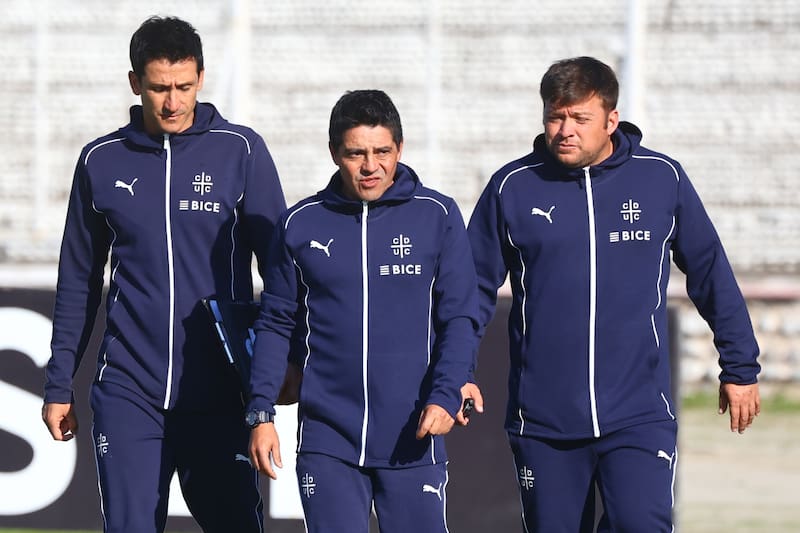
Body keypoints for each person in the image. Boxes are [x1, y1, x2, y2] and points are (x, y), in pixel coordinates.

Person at [467, 56, 761, 532]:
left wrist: (741, 366)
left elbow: (710, 273)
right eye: (555, 117)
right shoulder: (511, 188)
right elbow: (470, 293)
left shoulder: (661, 179)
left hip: (638, 414)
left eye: (580, 118)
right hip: (543, 422)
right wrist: (455, 373)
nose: (565, 130)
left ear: (611, 120)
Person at [41, 16, 286, 533]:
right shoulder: (100, 161)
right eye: (159, 88)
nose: (172, 101)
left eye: (184, 86)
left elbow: (283, 274)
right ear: (136, 83)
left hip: (220, 394)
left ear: (200, 77)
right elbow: (79, 279)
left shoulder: (241, 151)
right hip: (129, 391)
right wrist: (59, 381)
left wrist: (276, 372)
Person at [246, 89, 479, 533]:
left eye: (381, 152)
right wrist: (261, 413)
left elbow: (459, 320)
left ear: (400, 148)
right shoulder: (299, 225)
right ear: (335, 153)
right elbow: (275, 324)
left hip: (413, 436)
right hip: (327, 441)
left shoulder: (438, 215)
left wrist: (446, 394)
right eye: (356, 153)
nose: (370, 166)